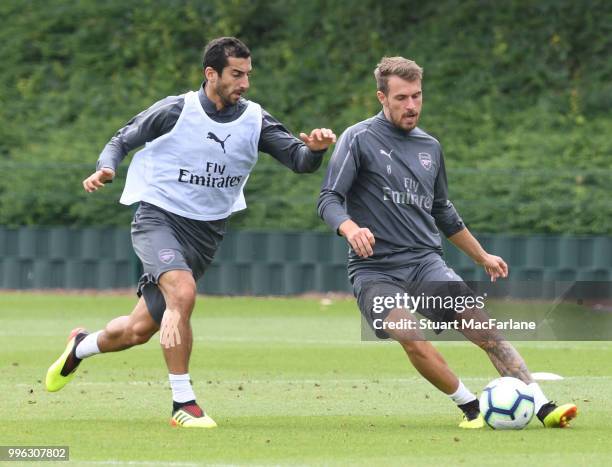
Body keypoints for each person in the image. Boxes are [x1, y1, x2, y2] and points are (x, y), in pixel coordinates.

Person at [45, 37, 336, 428]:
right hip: (158, 219)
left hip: (205, 236)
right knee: (181, 292)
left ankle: (81, 345)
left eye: (248, 75)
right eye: (236, 74)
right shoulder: (175, 110)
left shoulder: (255, 119)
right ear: (211, 74)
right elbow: (123, 138)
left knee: (136, 331)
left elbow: (300, 162)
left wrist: (315, 150)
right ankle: (183, 403)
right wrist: (107, 167)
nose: (245, 84)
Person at [317, 56, 577, 429]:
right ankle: (470, 408)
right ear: (381, 97)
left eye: (417, 96)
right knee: (410, 335)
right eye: (402, 97)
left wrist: (482, 254)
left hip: (426, 263)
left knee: (484, 329)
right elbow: (328, 199)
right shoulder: (357, 138)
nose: (412, 106)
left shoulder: (430, 147)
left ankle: (541, 405)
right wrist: (350, 228)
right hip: (375, 269)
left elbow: (443, 212)